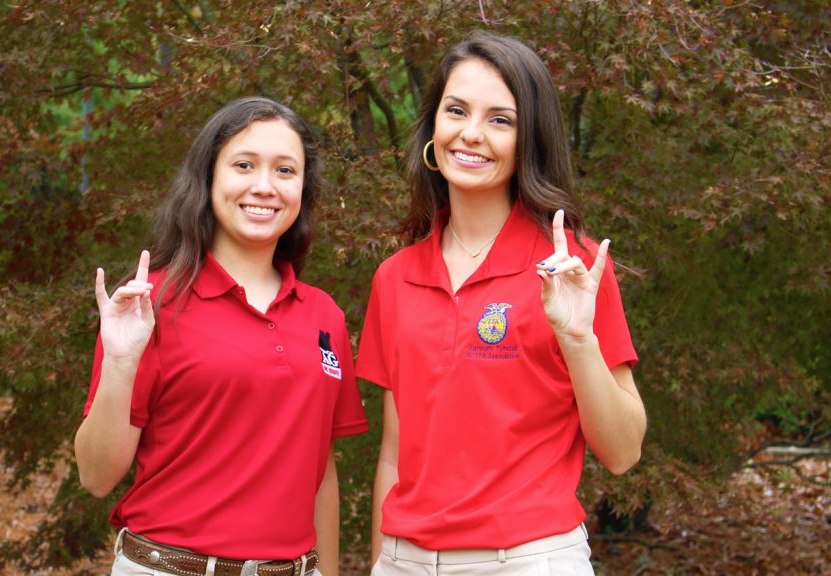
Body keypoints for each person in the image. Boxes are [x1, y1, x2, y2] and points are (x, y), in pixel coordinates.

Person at [357, 33, 646, 576]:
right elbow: (396, 456)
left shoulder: (574, 270)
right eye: (457, 111)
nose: (471, 134)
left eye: (500, 120)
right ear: (433, 127)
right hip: (404, 561)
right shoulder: (395, 278)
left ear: (529, 139)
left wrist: (578, 338)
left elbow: (624, 451)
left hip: (529, 559)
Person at [75, 96, 368, 576]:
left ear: (303, 190)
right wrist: (120, 363)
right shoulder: (152, 304)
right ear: (209, 178)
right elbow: (95, 476)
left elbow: (321, 475)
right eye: (244, 165)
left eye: (285, 171)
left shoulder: (324, 316)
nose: (264, 186)